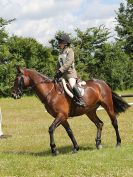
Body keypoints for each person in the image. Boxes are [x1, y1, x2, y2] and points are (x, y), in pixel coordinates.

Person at [54, 33, 85, 107]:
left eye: (60, 42)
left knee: (72, 84)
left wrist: (60, 70)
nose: (59, 44)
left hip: (70, 74)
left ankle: (80, 100)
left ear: (65, 43)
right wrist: (56, 72)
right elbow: (58, 63)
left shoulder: (70, 51)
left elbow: (69, 62)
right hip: (62, 75)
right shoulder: (61, 52)